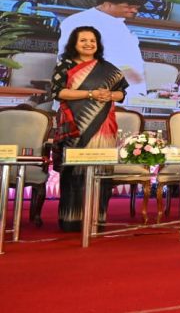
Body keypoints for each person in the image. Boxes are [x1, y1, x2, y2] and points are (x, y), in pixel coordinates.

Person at [51, 26, 128, 232]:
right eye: (83, 40)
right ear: (74, 44)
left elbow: (121, 93)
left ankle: (96, 218)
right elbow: (59, 92)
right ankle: (71, 218)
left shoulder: (108, 68)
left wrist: (110, 95)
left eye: (92, 40)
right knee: (73, 172)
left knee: (101, 172)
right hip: (74, 125)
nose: (88, 44)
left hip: (103, 126)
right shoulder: (65, 65)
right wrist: (91, 94)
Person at [58, 0, 146, 103]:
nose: (134, 11)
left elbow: (121, 55)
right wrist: (125, 70)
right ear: (107, 5)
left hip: (122, 90)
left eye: (136, 8)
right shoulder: (80, 21)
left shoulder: (118, 23)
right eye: (129, 7)